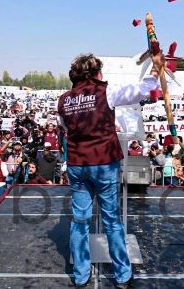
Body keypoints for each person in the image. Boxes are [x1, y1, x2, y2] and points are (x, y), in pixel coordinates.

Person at [58, 52, 165, 288]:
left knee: (79, 220)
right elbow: (144, 88)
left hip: (77, 165)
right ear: (96, 73)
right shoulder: (106, 91)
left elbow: (67, 127)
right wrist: (156, 68)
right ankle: (122, 275)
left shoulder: (63, 99)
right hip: (104, 163)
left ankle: (81, 275)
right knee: (112, 221)